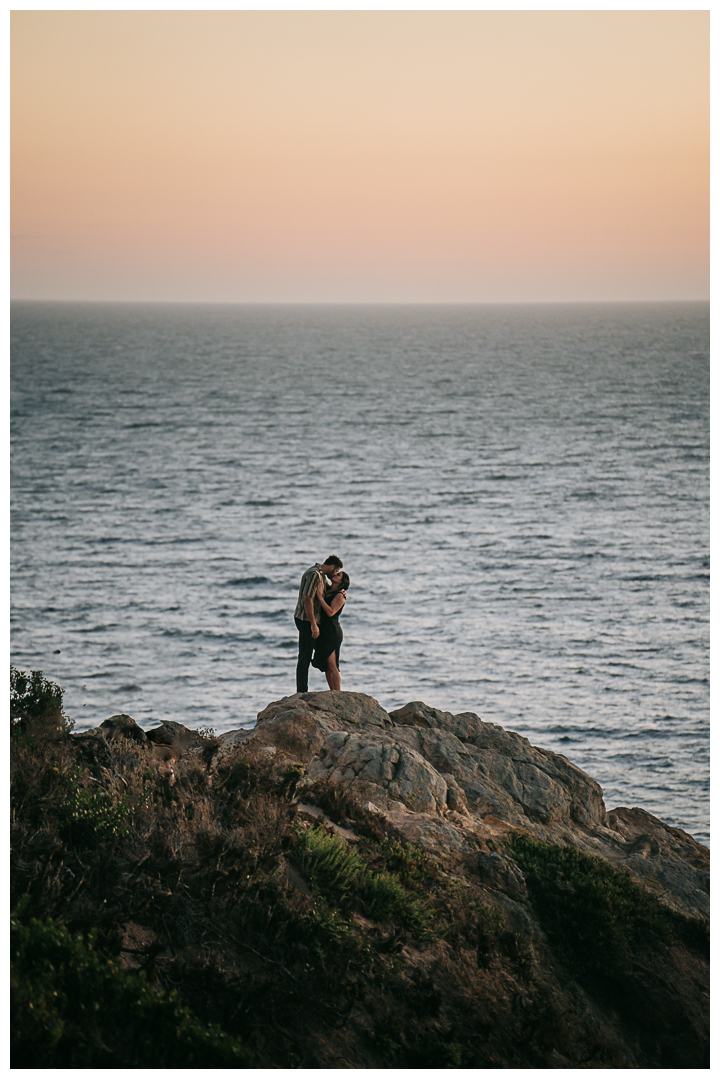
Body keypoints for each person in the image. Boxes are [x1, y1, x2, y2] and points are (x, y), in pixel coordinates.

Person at [294, 556, 343, 693]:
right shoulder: (315, 575)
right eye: (336, 571)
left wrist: (342, 590)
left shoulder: (320, 575)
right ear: (332, 567)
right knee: (305, 655)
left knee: (318, 657)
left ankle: (303, 690)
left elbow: (328, 591)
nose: (335, 574)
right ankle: (302, 691)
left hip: (310, 620)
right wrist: (313, 624)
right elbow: (308, 600)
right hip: (306, 620)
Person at [312, 570, 350, 691]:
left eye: (338, 575)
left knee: (333, 664)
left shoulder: (340, 595)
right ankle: (332, 691)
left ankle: (338, 692)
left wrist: (320, 598)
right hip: (323, 630)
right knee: (326, 665)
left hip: (332, 631)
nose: (335, 575)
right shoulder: (328, 590)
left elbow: (330, 611)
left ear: (342, 581)